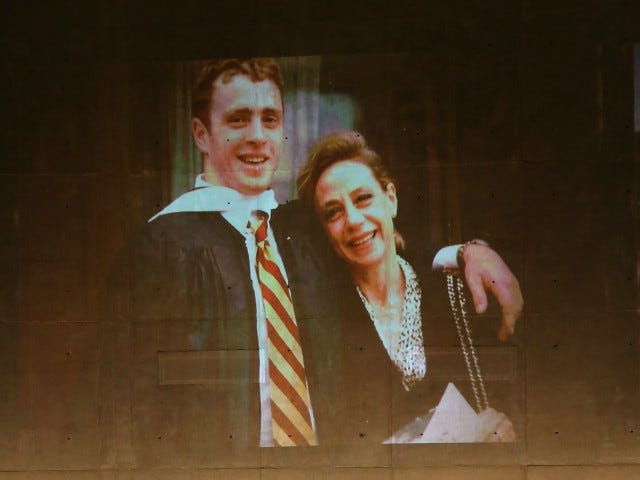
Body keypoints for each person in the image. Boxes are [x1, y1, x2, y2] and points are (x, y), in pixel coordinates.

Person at [102, 58, 522, 466]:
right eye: (237, 120)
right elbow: (132, 405)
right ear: (200, 134)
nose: (256, 136)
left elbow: (377, 242)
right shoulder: (159, 247)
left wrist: (468, 252)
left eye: (269, 119)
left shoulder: (301, 227)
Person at [296, 130, 517, 444]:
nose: (354, 219)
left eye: (363, 198)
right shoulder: (327, 322)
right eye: (334, 212)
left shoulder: (452, 290)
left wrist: (502, 428)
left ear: (391, 199)